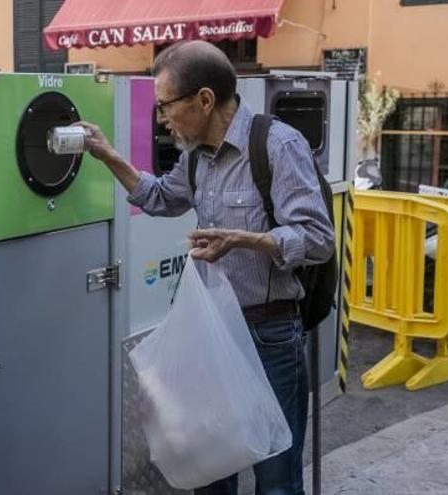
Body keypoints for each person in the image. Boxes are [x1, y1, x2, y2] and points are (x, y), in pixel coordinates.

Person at [78, 40, 335, 495]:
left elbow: (318, 240)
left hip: (269, 335)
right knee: (210, 467)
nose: (162, 118)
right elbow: (158, 198)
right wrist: (108, 155)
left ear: (204, 100)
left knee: (276, 476)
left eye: (165, 106)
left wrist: (243, 240)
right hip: (214, 334)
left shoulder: (278, 145)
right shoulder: (197, 158)